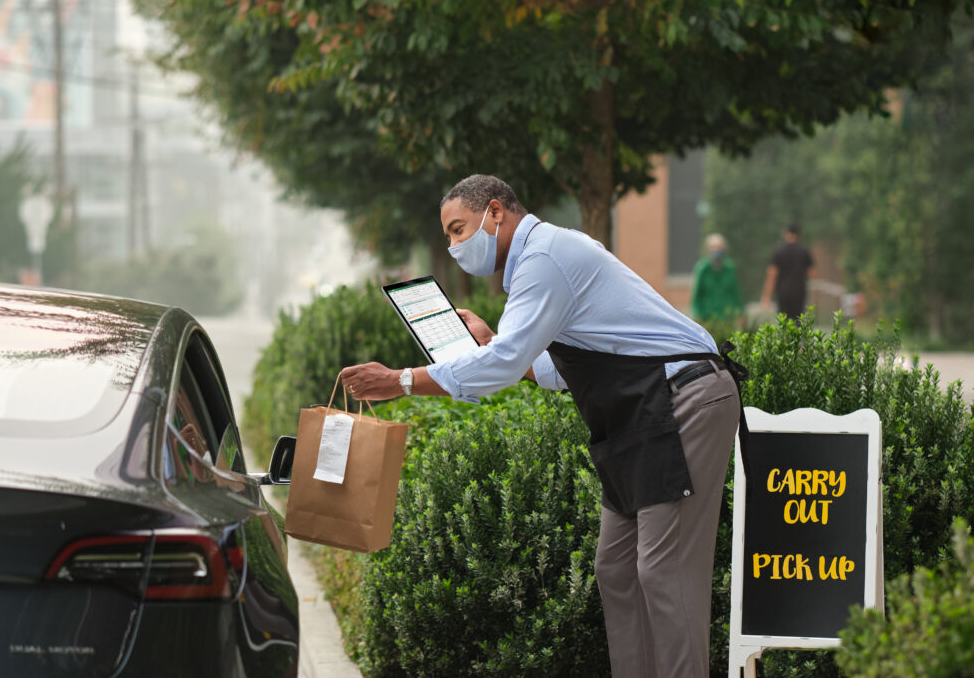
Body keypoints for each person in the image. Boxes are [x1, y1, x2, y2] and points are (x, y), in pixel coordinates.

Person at [341, 174, 744, 677]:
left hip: (682, 399)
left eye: (458, 229)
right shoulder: (543, 257)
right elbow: (550, 368)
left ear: (495, 212)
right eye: (448, 236)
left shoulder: (542, 259)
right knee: (617, 568)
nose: (454, 245)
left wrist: (401, 380)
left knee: (665, 571)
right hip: (640, 413)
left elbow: (503, 367)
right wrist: (493, 343)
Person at [760, 224, 814, 319]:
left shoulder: (778, 252)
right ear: (799, 234)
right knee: (798, 322)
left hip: (782, 293)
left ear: (785, 233)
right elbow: (812, 274)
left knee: (783, 323)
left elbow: (772, 276)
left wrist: (766, 296)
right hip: (799, 292)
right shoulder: (804, 251)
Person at [690, 233, 744, 323]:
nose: (717, 250)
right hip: (707, 318)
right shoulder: (702, 269)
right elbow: (696, 296)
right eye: (713, 247)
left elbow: (736, 294)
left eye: (719, 247)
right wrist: (696, 315)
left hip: (727, 318)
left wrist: (741, 313)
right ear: (708, 249)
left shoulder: (730, 267)